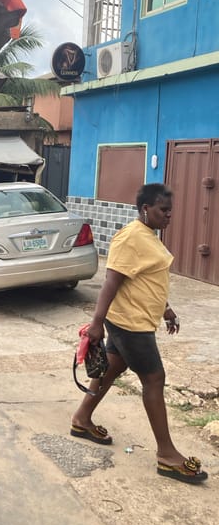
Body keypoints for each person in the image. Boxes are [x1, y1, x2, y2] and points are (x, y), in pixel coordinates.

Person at [70, 183, 207, 485]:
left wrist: (165, 308)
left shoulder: (147, 236)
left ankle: (81, 419)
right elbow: (111, 282)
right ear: (146, 208)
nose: (169, 215)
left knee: (110, 370)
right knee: (154, 379)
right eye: (163, 210)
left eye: (171, 210)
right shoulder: (132, 236)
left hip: (133, 319)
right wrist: (95, 323)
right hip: (132, 324)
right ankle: (167, 455)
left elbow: (147, 279)